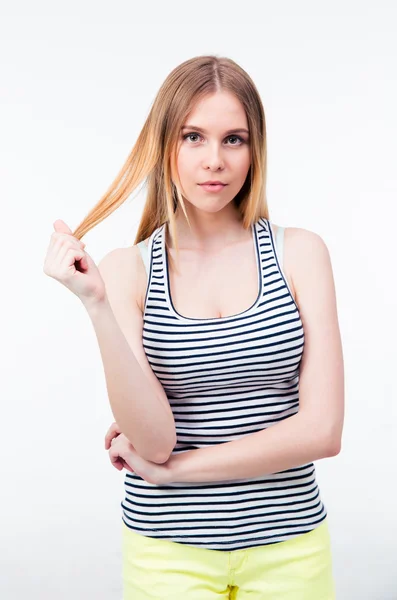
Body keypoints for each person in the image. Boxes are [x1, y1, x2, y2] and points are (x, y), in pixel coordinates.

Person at [43, 54, 344, 599]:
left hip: (291, 547)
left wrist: (179, 474)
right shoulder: (128, 270)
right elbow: (155, 441)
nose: (215, 160)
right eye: (193, 137)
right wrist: (96, 306)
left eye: (234, 139)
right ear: (165, 145)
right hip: (167, 554)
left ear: (255, 150)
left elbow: (321, 432)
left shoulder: (301, 254)